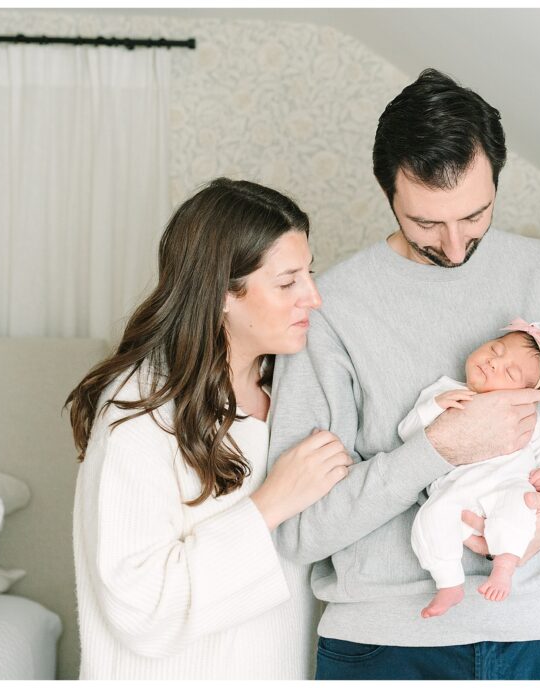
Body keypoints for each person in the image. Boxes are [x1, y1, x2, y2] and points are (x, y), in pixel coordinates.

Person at [266, 68, 540, 681]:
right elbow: (297, 532)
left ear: (497, 179)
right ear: (387, 193)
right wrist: (439, 448)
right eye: (426, 224)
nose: (453, 247)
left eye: (475, 215)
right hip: (382, 649)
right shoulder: (329, 307)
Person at [67, 178, 352, 679]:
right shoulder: (139, 412)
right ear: (222, 294)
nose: (314, 297)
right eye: (287, 283)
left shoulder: (297, 391)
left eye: (310, 273)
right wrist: (272, 502)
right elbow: (142, 609)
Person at [402, 319, 540, 619]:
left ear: (526, 394)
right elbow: (407, 432)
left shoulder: (524, 412)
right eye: (495, 349)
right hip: (458, 489)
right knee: (432, 516)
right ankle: (449, 582)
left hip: (509, 483)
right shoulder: (444, 391)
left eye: (509, 372)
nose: (493, 362)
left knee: (521, 506)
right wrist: (437, 406)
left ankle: (504, 566)